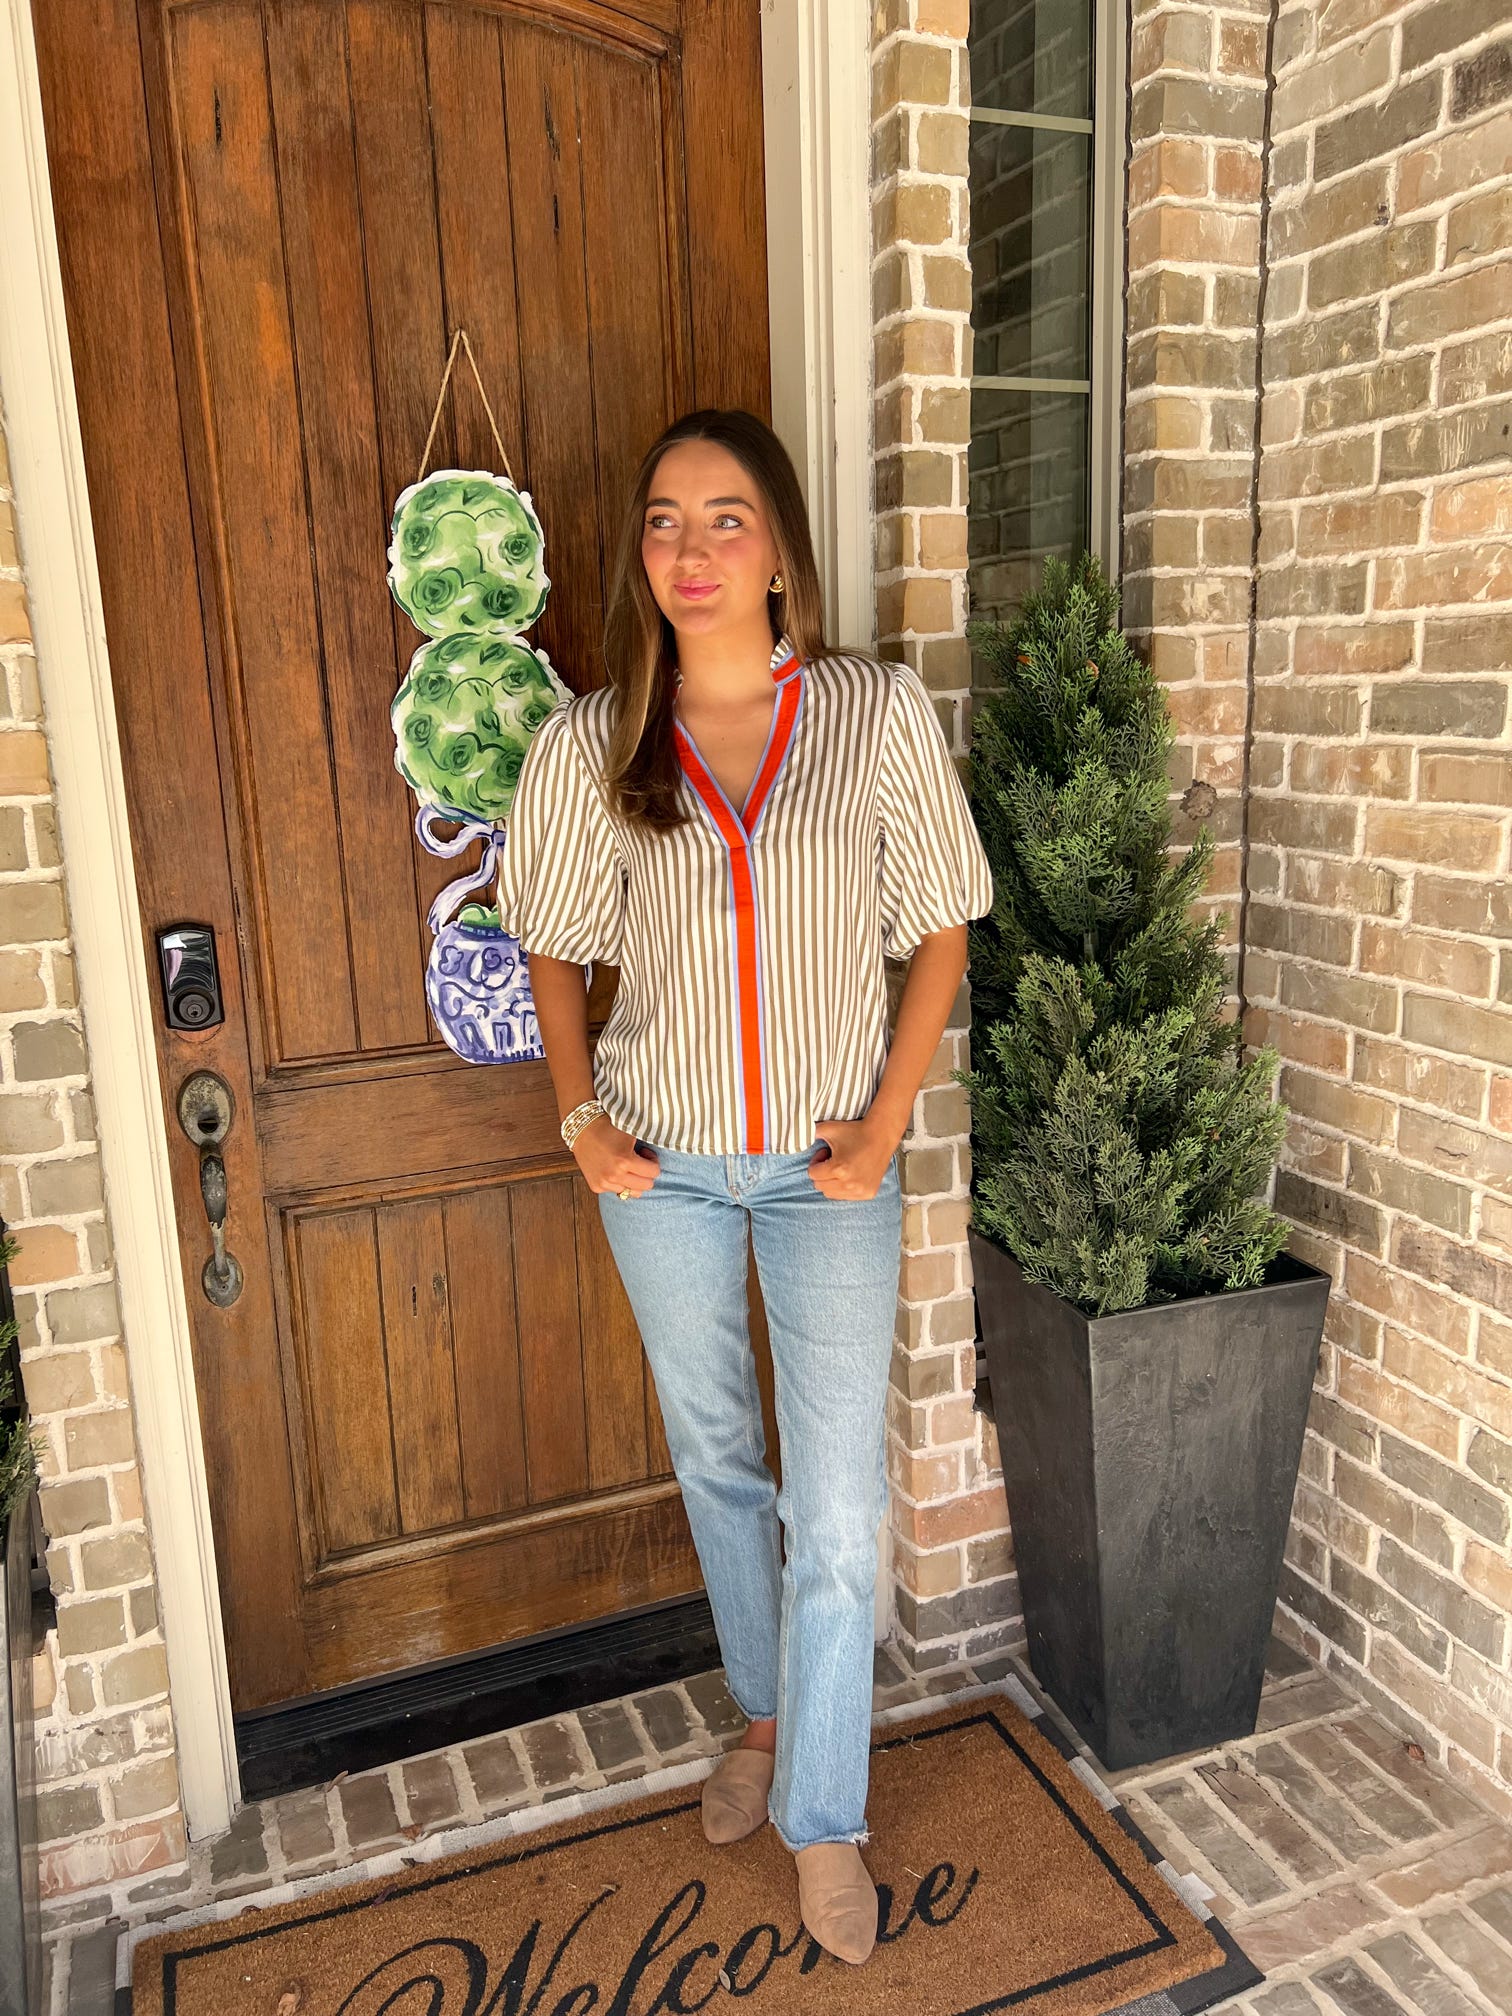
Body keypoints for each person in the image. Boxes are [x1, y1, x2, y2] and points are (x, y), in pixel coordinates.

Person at [494, 408, 993, 1966]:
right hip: (664, 1167)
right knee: (720, 1461)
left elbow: (942, 926)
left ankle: (822, 1814)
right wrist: (580, 1120)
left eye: (725, 518)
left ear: (779, 548)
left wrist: (888, 1122)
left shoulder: (869, 713)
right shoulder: (593, 743)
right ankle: (770, 1722)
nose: (691, 548)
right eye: (663, 520)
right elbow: (550, 943)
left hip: (831, 1168)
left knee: (838, 1511)